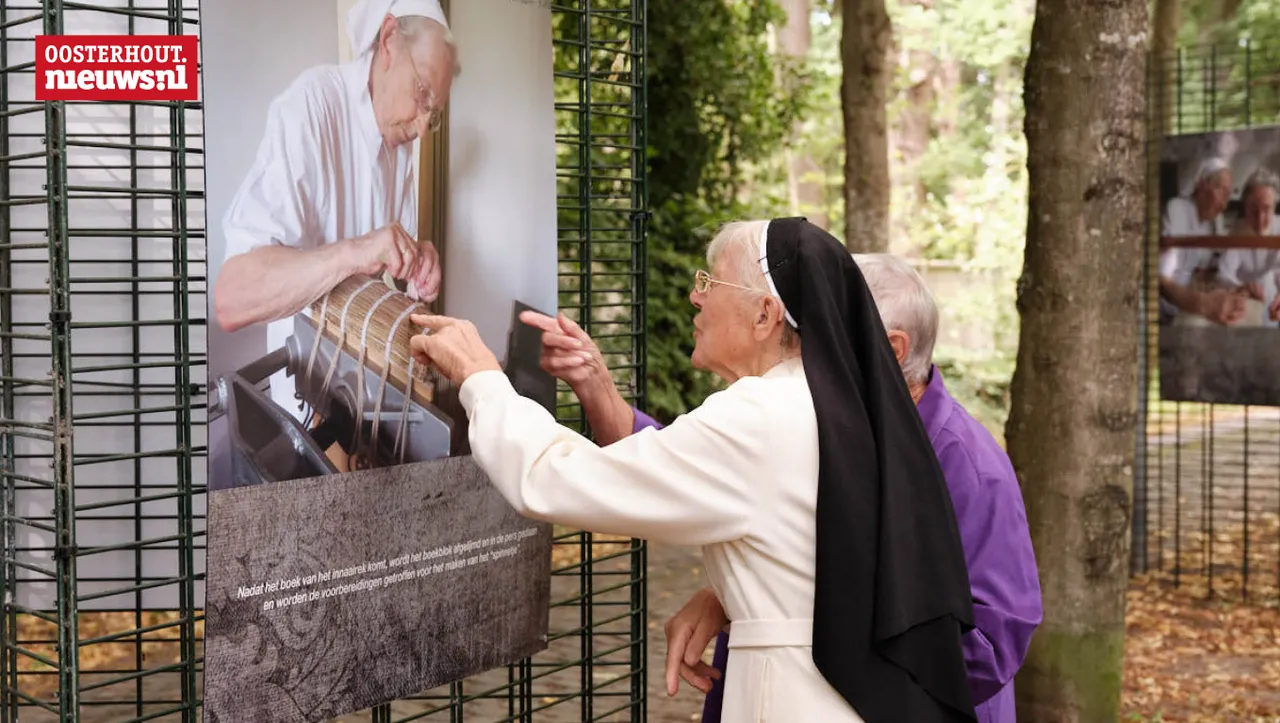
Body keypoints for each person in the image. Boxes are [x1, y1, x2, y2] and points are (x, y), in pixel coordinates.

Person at [410, 218, 980, 722]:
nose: (693, 296)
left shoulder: (762, 415)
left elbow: (557, 479)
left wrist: (481, 376)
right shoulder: (839, 406)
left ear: (765, 314)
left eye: (711, 283)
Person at [523, 252, 1042, 723]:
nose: (801, 350)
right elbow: (691, 472)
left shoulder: (970, 469)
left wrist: (774, 615)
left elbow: (988, 646)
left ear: (890, 348)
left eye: (830, 333)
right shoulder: (823, 420)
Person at [212, 0, 458, 419]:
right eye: (421, 95)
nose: (420, 128)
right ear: (388, 40)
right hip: (305, 406)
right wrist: (352, 253)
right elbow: (232, 298)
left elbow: (387, 263)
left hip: (365, 395)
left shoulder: (399, 142)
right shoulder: (312, 106)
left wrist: (415, 263)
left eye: (432, 115)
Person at [1157, 156, 1246, 326]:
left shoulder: (1208, 227)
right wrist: (1201, 303)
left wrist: (1236, 286)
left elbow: (1202, 270)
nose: (1224, 205)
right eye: (1222, 192)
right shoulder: (1176, 209)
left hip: (1175, 309)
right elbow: (1160, 277)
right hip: (1155, 304)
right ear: (1202, 185)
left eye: (1228, 196)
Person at [1215, 167, 1280, 327]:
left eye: (1267, 209)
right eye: (1253, 210)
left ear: (1275, 207)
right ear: (1245, 207)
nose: (1260, 219)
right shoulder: (1237, 233)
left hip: (1270, 291)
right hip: (1242, 296)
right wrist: (1241, 286)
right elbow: (1223, 275)